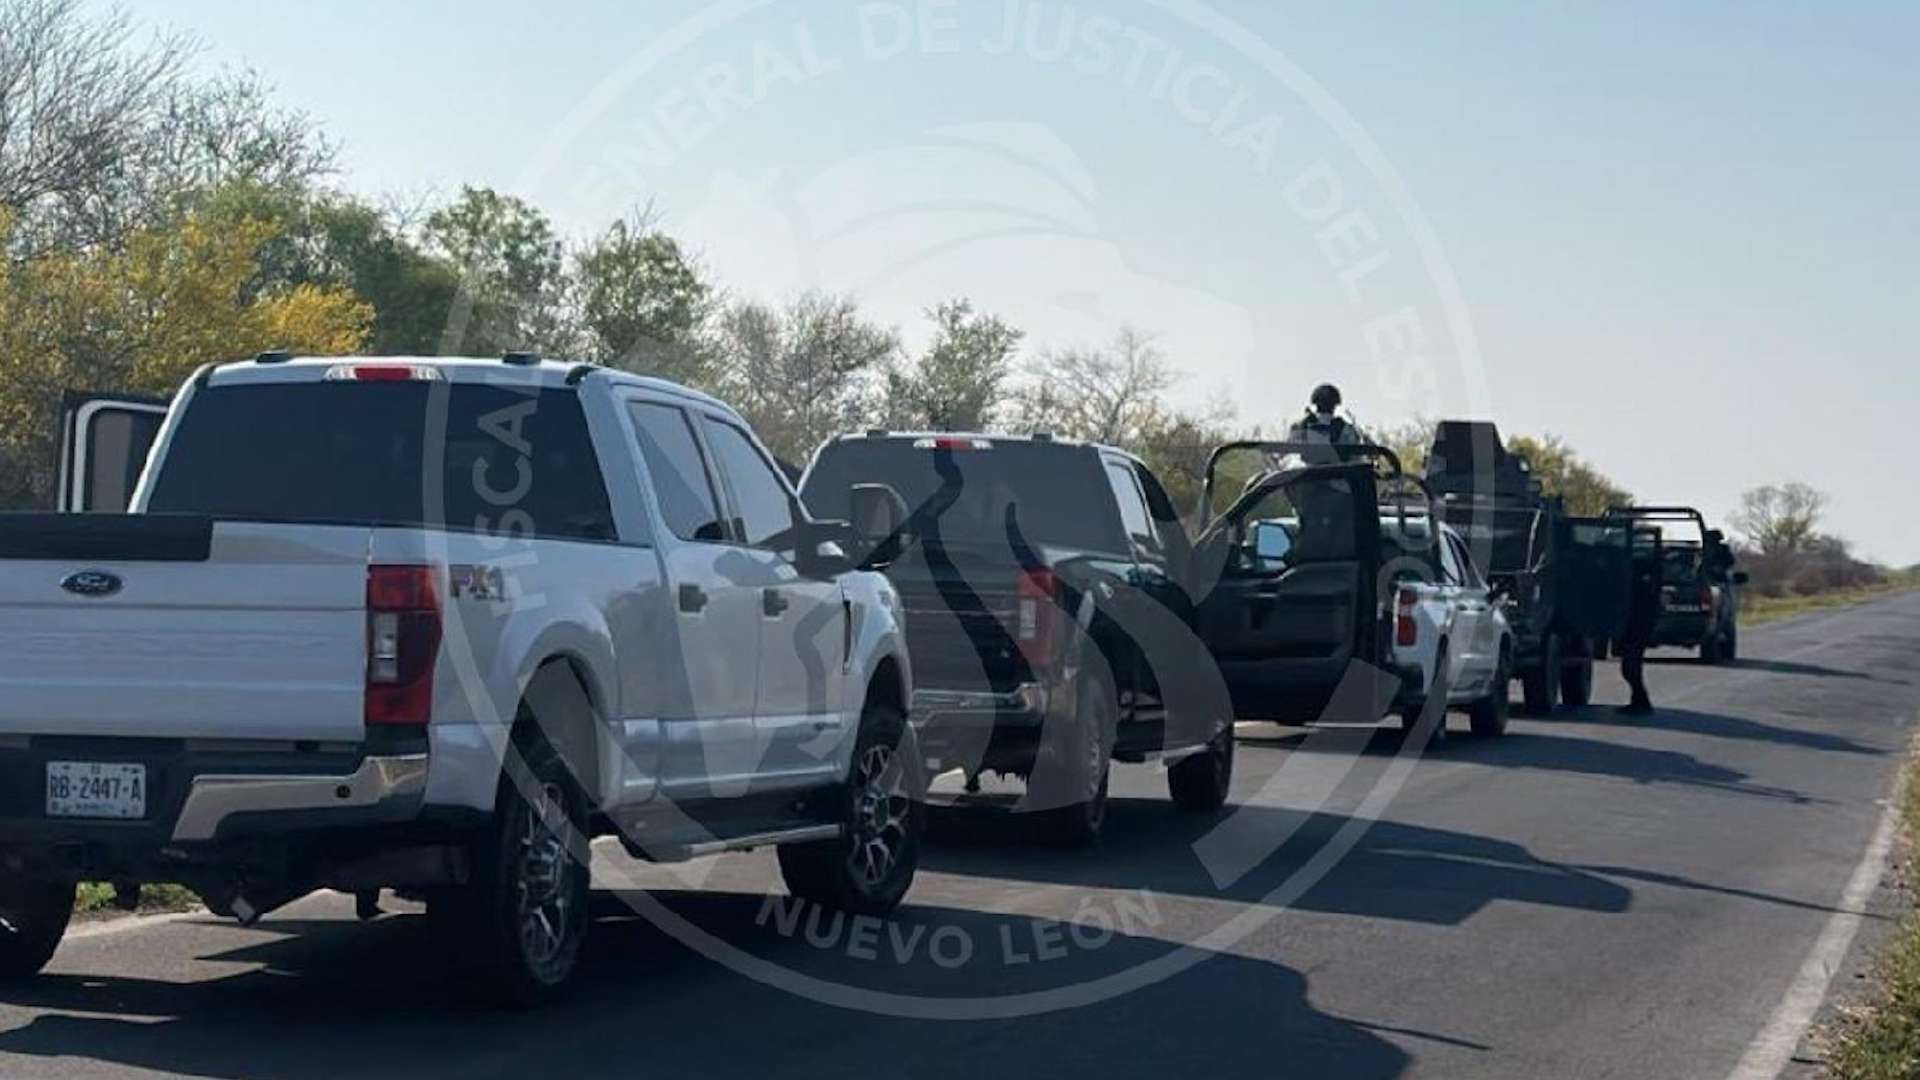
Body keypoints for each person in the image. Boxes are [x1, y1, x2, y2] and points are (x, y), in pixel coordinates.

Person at [1617, 542, 1661, 716]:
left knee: (1631, 666)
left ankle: (1641, 701)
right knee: (1630, 666)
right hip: (1636, 624)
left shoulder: (1643, 575)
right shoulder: (1642, 573)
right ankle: (1639, 701)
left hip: (1638, 624)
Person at [1287, 383, 1365, 450]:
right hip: (1338, 467)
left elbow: (1291, 449)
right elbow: (1354, 448)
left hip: (1309, 467)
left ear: (1316, 405)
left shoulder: (1302, 425)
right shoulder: (1344, 427)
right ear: (1335, 406)